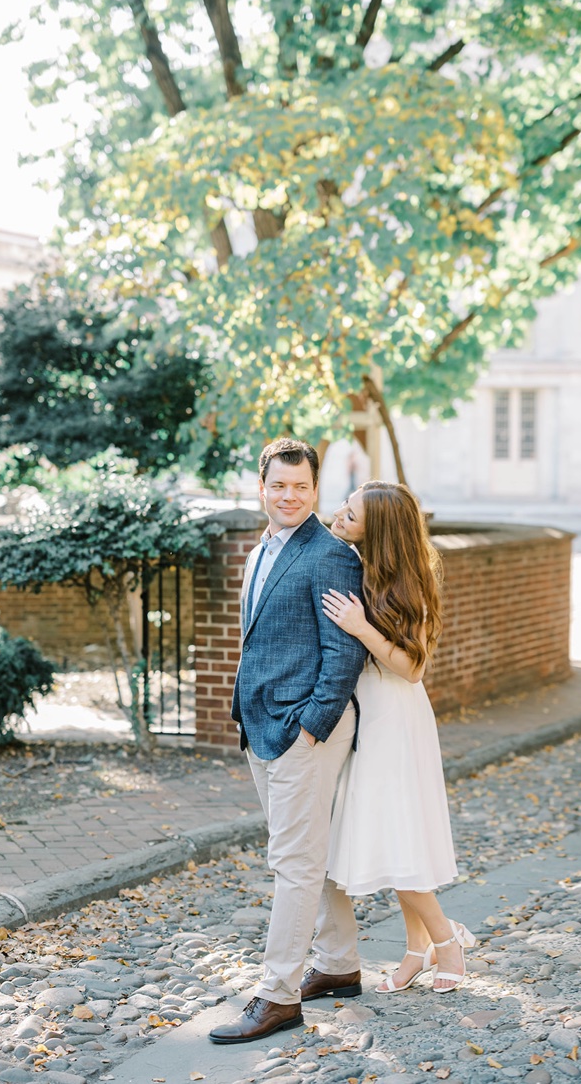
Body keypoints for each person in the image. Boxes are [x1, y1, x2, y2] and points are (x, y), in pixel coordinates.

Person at [209, 439, 368, 1044]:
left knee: (293, 863)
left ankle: (277, 996)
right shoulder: (259, 552)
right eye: (279, 486)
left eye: (301, 487)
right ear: (262, 488)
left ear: (315, 490)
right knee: (306, 852)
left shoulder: (331, 555)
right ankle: (338, 962)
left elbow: (343, 653)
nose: (290, 496)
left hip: (305, 731)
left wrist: (311, 725)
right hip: (261, 725)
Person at [320, 481, 473, 993]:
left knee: (398, 838)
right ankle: (415, 952)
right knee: (393, 838)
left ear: (379, 529)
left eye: (352, 513)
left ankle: (446, 945)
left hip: (396, 720)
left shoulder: (411, 582)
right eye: (345, 505)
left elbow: (412, 667)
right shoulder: (356, 565)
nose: (339, 515)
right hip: (365, 718)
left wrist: (362, 628)